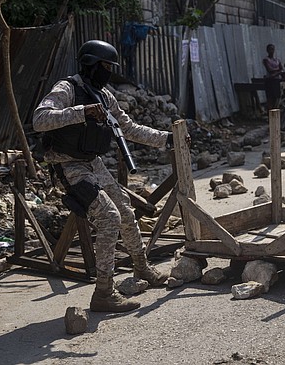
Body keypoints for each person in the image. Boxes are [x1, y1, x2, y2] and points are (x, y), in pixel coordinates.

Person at [33, 40, 181, 313]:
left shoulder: (105, 96)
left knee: (124, 210)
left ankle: (142, 267)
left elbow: (129, 128)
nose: (108, 73)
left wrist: (167, 139)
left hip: (93, 163)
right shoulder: (67, 89)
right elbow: (40, 119)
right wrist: (82, 112)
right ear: (90, 64)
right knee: (109, 217)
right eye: (104, 67)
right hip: (69, 166)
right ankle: (104, 292)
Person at [262, 43, 283, 110]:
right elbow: (269, 70)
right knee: (270, 98)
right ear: (267, 50)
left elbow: (281, 68)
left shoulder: (277, 60)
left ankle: (275, 112)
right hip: (269, 81)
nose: (272, 51)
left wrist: (276, 73)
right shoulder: (266, 59)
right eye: (270, 49)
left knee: (276, 98)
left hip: (276, 80)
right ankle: (269, 114)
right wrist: (278, 71)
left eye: (273, 49)